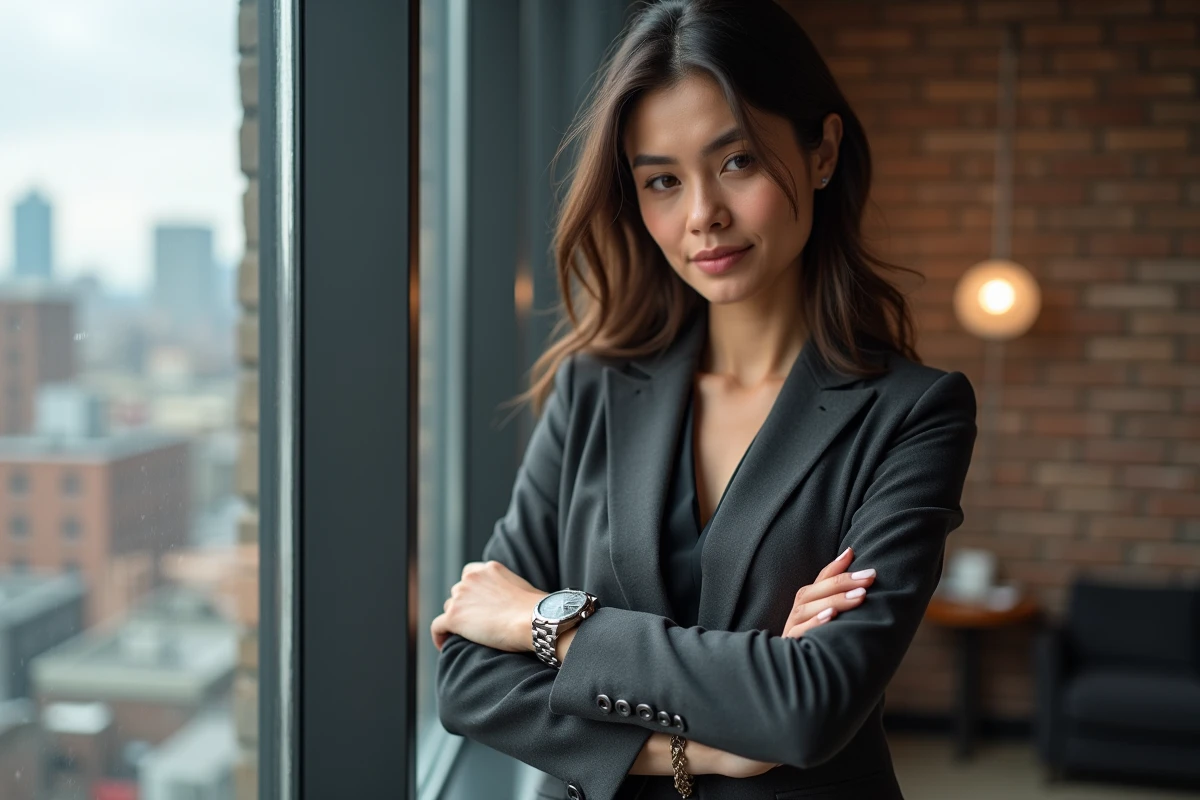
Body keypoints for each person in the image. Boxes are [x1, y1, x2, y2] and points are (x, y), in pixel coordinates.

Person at [430, 1, 977, 798]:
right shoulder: (595, 388)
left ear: (821, 152)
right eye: (661, 180)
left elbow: (808, 708)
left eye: (738, 162)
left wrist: (547, 620)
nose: (701, 217)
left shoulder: (913, 415)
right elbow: (470, 685)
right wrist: (717, 747)